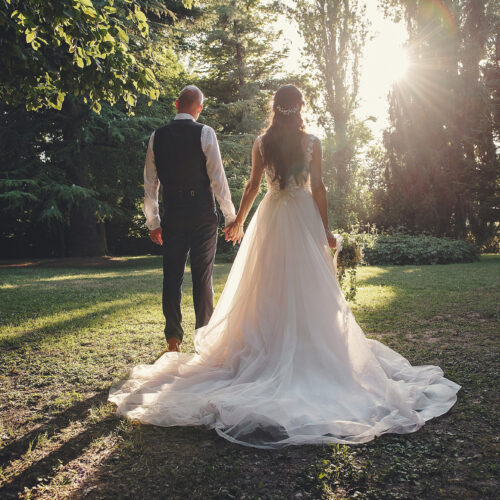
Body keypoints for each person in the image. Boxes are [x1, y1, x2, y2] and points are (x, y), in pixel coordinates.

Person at [109, 84, 460, 449]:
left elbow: (252, 185)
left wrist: (239, 220)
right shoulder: (312, 143)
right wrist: (324, 230)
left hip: (272, 215)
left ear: (275, 108)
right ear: (302, 107)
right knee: (307, 285)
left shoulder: (262, 142)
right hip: (303, 215)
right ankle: (308, 344)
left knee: (266, 282)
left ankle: (245, 341)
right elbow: (319, 187)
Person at [142, 85, 236, 353]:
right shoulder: (205, 133)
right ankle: (203, 340)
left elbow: (150, 184)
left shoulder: (156, 137)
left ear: (176, 104)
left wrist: (154, 222)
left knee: (171, 276)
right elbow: (218, 179)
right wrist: (230, 216)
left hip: (173, 213)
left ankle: (173, 340)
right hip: (202, 214)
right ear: (199, 107)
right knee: (202, 276)